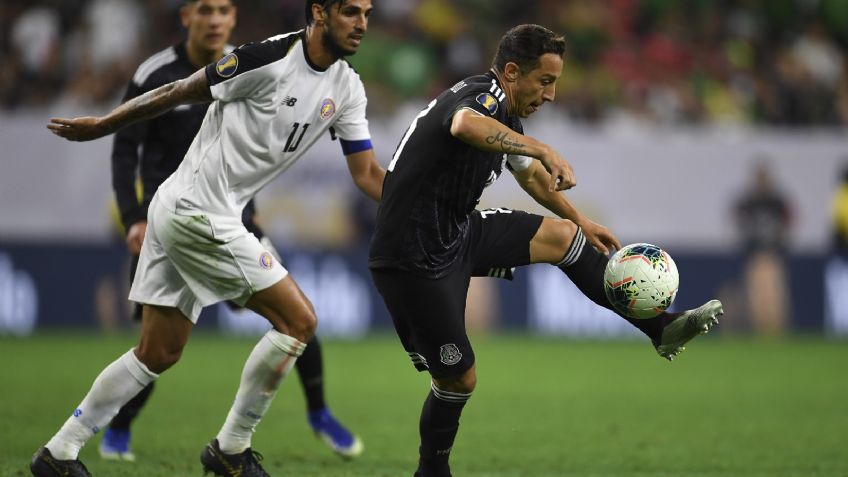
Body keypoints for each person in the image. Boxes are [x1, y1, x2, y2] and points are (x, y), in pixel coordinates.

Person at [34, 0, 384, 476]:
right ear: (319, 13)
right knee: (299, 322)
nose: (362, 23)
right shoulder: (266, 58)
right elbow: (179, 88)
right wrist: (104, 124)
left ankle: (58, 453)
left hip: (189, 211)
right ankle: (231, 450)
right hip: (197, 212)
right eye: (350, 12)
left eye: (366, 12)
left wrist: (427, 203)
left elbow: (367, 175)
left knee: (157, 352)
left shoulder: (347, 88)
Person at [368, 24, 723, 477]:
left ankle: (661, 328)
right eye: (546, 81)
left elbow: (532, 177)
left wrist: (580, 220)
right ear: (512, 72)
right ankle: (431, 472)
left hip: (456, 232)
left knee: (563, 238)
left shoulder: (507, 116)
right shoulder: (483, 98)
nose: (551, 95)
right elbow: (464, 125)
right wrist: (543, 147)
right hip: (411, 258)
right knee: (459, 378)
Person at [733, 160, 792, 335]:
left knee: (774, 295)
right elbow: (740, 223)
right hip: (755, 255)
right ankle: (760, 331)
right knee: (757, 296)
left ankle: (776, 331)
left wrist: (782, 243)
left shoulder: (777, 201)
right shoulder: (748, 201)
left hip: (772, 254)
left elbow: (788, 223)